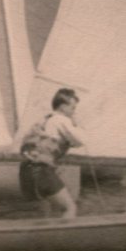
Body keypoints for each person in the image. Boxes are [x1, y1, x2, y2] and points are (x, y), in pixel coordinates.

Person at [18, 87, 86, 218]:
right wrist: (77, 123)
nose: (74, 112)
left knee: (44, 212)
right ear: (62, 106)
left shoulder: (43, 120)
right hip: (42, 171)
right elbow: (81, 140)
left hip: (26, 172)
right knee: (70, 207)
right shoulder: (61, 120)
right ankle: (65, 238)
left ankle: (43, 237)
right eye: (73, 108)